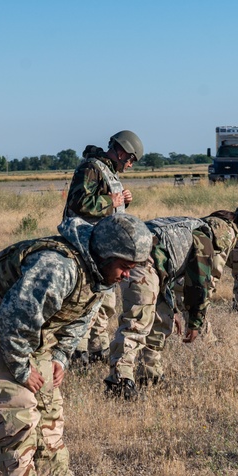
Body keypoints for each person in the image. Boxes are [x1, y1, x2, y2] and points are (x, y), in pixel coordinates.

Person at [0, 214, 152, 476]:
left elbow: (81, 317)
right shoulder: (57, 268)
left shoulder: (98, 273)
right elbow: (12, 321)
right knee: (18, 406)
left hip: (31, 327)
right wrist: (20, 369)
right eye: (124, 267)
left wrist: (60, 356)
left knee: (49, 403)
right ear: (106, 255)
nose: (127, 276)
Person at [104, 216, 235, 399]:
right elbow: (199, 284)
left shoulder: (186, 227)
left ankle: (150, 374)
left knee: (162, 318)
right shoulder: (203, 239)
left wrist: (173, 309)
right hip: (140, 264)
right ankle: (120, 381)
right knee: (136, 324)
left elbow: (167, 267)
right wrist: (195, 322)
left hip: (149, 265)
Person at [63, 130, 144, 365]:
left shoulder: (107, 172)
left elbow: (105, 204)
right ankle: (78, 353)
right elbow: (79, 203)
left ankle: (98, 349)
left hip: (103, 249)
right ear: (119, 151)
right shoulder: (91, 168)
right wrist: (112, 201)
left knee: (105, 303)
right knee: (86, 302)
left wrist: (123, 201)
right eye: (129, 159)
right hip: (86, 246)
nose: (129, 165)